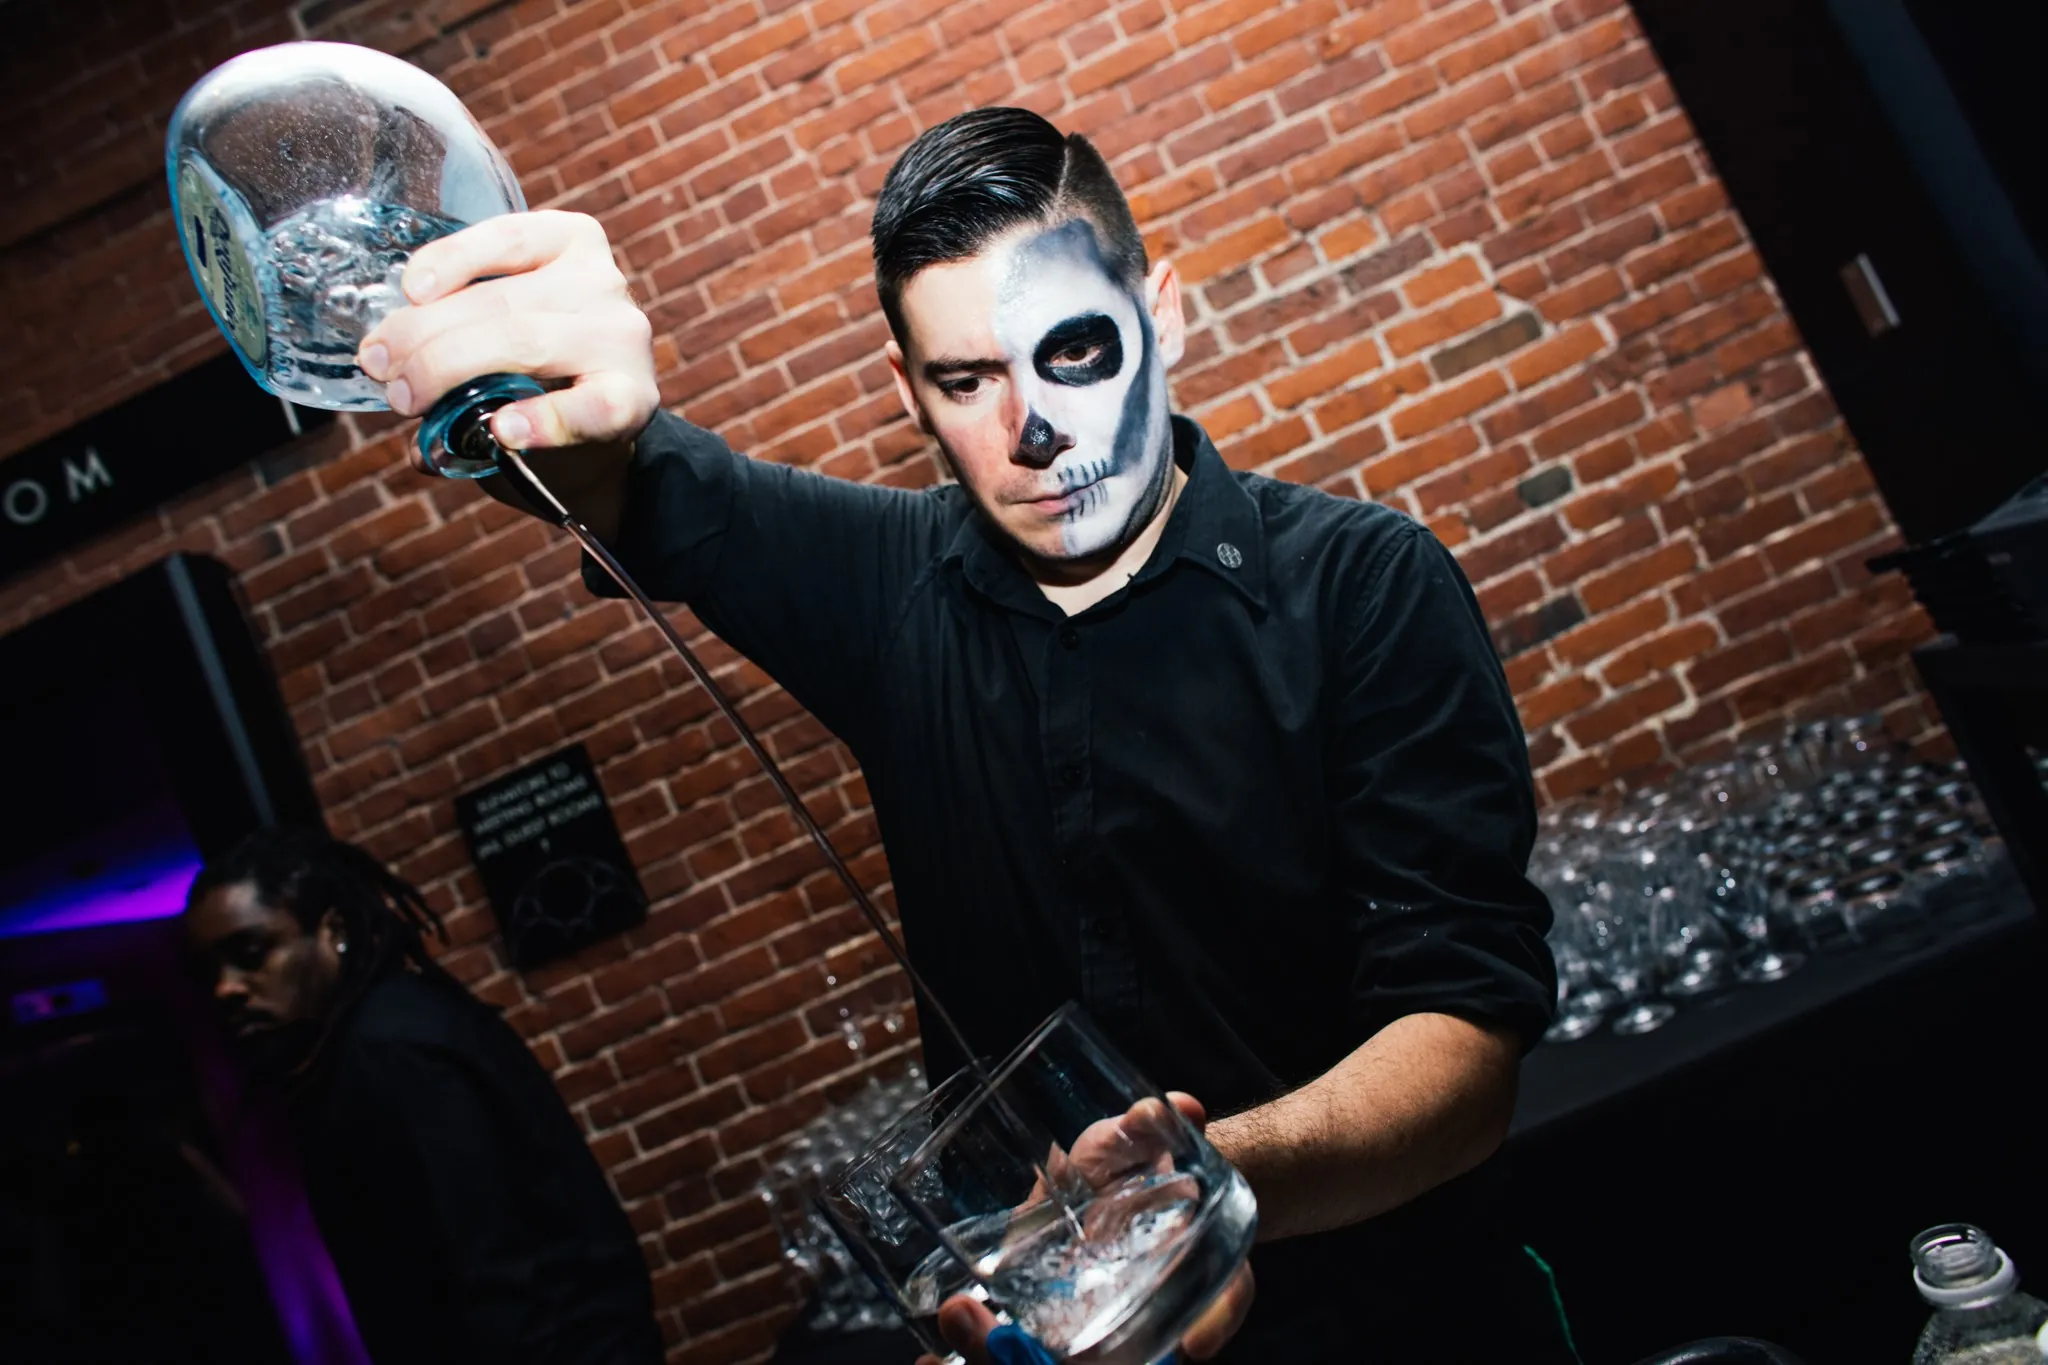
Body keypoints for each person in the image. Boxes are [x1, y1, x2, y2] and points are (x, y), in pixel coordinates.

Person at [355, 107, 1566, 1363]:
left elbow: (1463, 1042)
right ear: (907, 394)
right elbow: (625, 479)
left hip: (1406, 1320)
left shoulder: (1361, 585)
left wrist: (1189, 1184)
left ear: (1162, 314)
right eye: (968, 379)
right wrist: (528, 376)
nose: (1032, 427)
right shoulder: (889, 590)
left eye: (1075, 350)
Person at [184, 827, 666, 1365]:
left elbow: (493, 1280)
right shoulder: (385, 1034)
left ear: (333, 933)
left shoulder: (388, 1051)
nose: (225, 988)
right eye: (210, 971)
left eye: (251, 953)